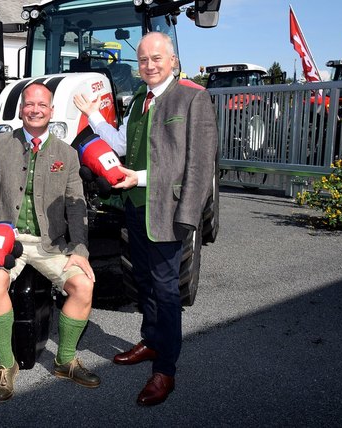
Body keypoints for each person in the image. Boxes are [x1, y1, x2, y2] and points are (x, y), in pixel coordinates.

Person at [73, 32, 217, 406]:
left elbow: (197, 165)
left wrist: (144, 180)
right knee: (144, 281)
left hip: (167, 209)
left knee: (167, 290)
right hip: (135, 206)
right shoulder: (140, 100)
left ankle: (165, 369)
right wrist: (92, 117)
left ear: (172, 60)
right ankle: (152, 341)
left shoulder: (192, 97)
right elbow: (124, 146)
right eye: (143, 60)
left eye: (156, 58)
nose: (149, 65)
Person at [0, 82, 99, 402]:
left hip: (48, 244)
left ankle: (64, 360)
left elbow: (75, 205)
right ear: (21, 109)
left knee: (83, 285)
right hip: (5, 239)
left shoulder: (66, 154)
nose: (35, 110)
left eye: (42, 105)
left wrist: (80, 250)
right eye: (29, 104)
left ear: (51, 111)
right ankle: (6, 364)